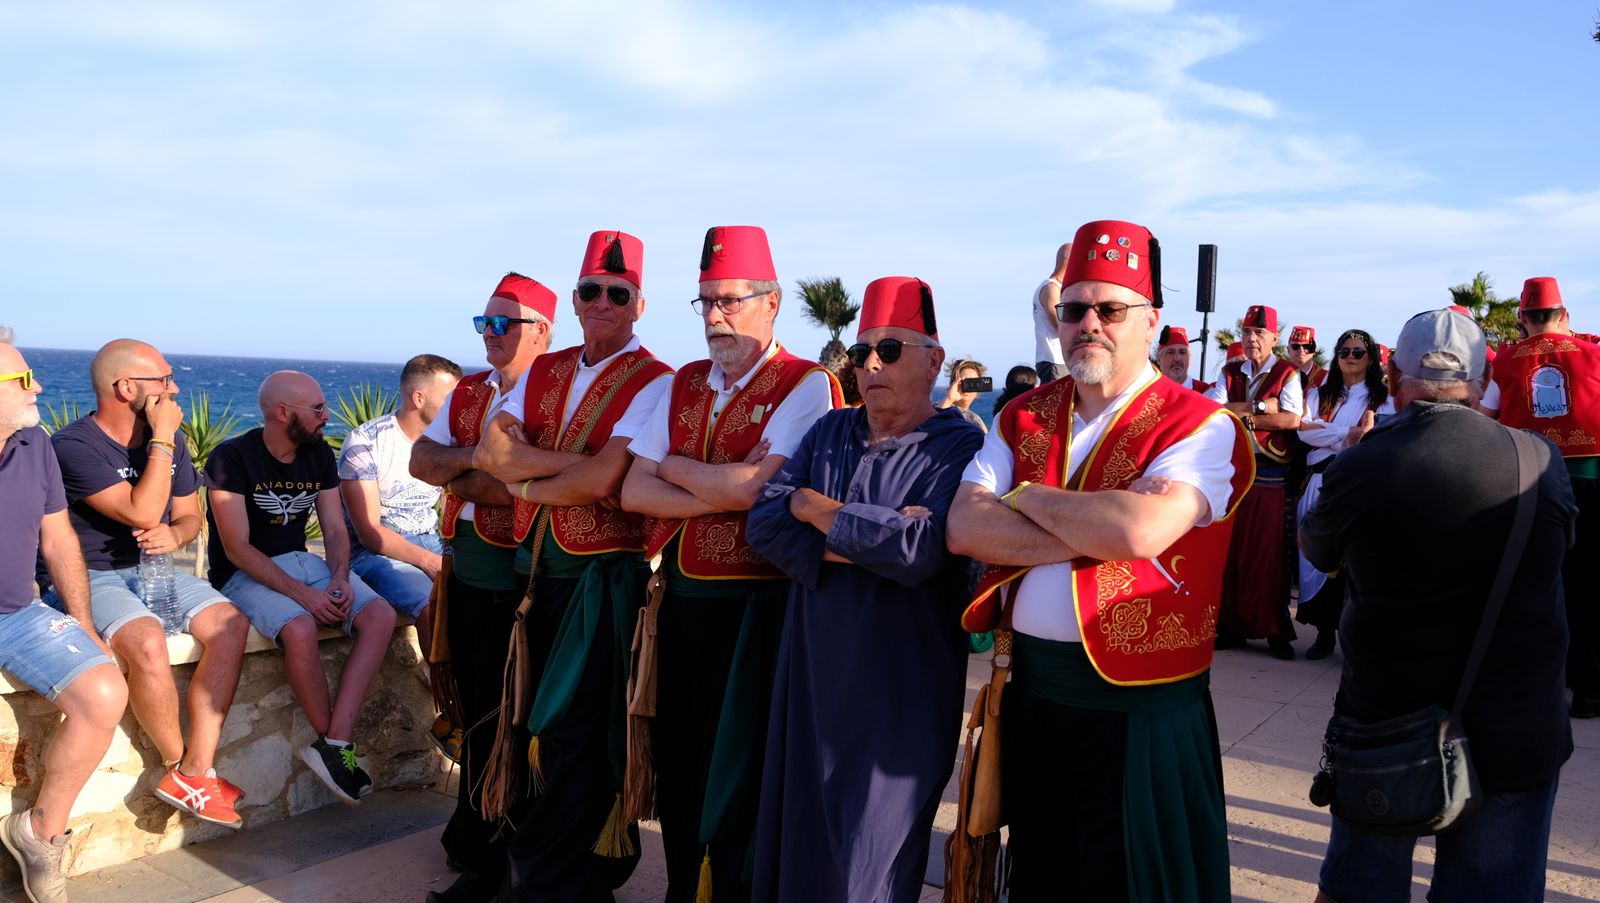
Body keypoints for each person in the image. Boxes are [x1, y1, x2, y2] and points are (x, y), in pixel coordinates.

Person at [947, 220, 1252, 902]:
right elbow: (965, 525)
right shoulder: (1021, 416)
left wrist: (1021, 499)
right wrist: (1097, 520)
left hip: (1142, 716)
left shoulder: (1200, 422)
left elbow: (1143, 529)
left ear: (1151, 319)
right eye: (1074, 308)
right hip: (1033, 696)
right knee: (1042, 881)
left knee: (1134, 884)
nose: (1089, 323)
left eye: (1110, 308)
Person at [1301, 309, 1574, 903]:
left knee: (1359, 892)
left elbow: (1317, 552)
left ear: (1395, 376)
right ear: (1482, 382)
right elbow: (1560, 556)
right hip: (1516, 727)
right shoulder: (1541, 463)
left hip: (1388, 728)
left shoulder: (1362, 463)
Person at [746, 276, 984, 901]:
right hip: (811, 679)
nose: (872, 364)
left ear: (934, 360)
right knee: (797, 843)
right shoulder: (831, 431)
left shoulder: (960, 446)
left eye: (891, 350)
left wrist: (813, 507)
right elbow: (763, 523)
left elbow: (918, 553)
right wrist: (853, 523)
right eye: (862, 353)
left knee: (869, 860)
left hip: (899, 688)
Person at [621, 225, 840, 902]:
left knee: (746, 773)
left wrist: (681, 471)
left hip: (760, 613)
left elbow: (758, 490)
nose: (716, 315)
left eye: (731, 301)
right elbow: (632, 489)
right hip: (682, 607)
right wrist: (724, 485)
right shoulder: (685, 381)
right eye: (706, 301)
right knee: (682, 768)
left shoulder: (807, 383)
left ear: (770, 303)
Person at [472, 231, 674, 899]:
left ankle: (562, 882)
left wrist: (528, 476)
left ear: (639, 304)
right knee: (524, 726)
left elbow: (607, 480)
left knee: (579, 738)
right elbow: (487, 455)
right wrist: (573, 470)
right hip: (536, 578)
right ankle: (531, 873)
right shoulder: (546, 367)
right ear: (575, 299)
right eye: (591, 291)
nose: (603, 303)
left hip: (603, 586)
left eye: (618, 294)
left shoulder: (656, 380)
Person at [42, 339, 251, 830]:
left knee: (230, 623)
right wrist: (160, 439)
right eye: (163, 379)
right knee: (148, 642)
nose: (174, 388)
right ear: (126, 387)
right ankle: (179, 765)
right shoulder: (72, 446)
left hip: (161, 564)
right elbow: (137, 510)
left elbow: (188, 518)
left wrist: (174, 533)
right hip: (94, 572)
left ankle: (196, 771)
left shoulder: (172, 440)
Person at [408, 272, 554, 902]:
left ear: (541, 331)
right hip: (465, 572)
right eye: (484, 323)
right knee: (475, 713)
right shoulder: (471, 389)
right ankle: (477, 838)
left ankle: (503, 856)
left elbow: (515, 488)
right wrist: (475, 458)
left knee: (509, 721)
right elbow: (422, 462)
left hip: (518, 578)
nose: (491, 335)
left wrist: (463, 467)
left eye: (504, 324)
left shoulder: (553, 393)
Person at [204, 370, 398, 805]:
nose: (326, 416)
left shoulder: (318, 456)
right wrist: (304, 595)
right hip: (243, 574)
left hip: (302, 562)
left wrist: (339, 578)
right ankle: (331, 744)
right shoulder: (229, 459)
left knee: (381, 615)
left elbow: (333, 527)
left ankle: (335, 744)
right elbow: (236, 549)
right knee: (300, 628)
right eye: (317, 409)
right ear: (282, 412)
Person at [0, 333, 130, 903]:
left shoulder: (36, 443)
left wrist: (81, 621)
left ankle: (39, 832)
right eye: (22, 380)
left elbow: (57, 537)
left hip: (15, 612)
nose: (39, 388)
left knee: (104, 690)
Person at [1480, 276, 1600, 718]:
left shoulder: (1507, 362)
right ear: (1564, 315)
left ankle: (1539, 684)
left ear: (1523, 318)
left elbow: (1486, 418)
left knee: (1534, 583)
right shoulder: (1595, 353)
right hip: (1589, 481)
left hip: (1528, 481)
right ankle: (1588, 688)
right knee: (1588, 583)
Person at [338, 353, 462, 664]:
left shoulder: (448, 443)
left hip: (431, 539)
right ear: (418, 398)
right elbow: (368, 532)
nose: (456, 407)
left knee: (487, 588)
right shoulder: (365, 444)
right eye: (449, 398)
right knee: (430, 603)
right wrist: (430, 561)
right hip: (374, 553)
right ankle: (447, 700)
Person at [1207, 305, 1304, 659]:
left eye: (1259, 333)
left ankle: (1274, 629)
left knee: (1268, 556)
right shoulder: (1231, 370)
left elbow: (1292, 419)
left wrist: (1245, 412)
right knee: (1232, 555)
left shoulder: (1288, 372)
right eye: (1247, 332)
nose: (1251, 339)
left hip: (1270, 472)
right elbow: (1213, 409)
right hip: (1234, 473)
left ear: (1274, 338)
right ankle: (1231, 626)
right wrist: (1262, 408)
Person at [1292, 330, 1391, 660]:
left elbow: (1373, 436)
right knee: (1313, 557)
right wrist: (1347, 433)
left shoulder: (1382, 397)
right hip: (1318, 481)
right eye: (1344, 351)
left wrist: (1330, 435)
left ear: (1371, 358)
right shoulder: (1321, 394)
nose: (1350, 357)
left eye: (1358, 352)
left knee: (1352, 562)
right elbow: (1304, 432)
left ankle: (1352, 637)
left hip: (1356, 485)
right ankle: (1323, 633)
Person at [1032, 242, 1070, 381]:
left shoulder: (1052, 287)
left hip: (1055, 360)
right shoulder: (1052, 288)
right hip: (1055, 360)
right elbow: (1061, 324)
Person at [938, 357, 989, 431]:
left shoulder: (976, 421)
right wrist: (949, 399)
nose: (968, 386)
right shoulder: (941, 408)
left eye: (973, 382)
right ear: (953, 384)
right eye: (963, 382)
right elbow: (930, 425)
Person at [1155, 325, 1210, 392]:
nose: (1177, 359)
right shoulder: (1149, 392)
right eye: (1171, 352)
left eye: (1182, 352)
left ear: (1190, 358)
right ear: (1159, 359)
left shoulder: (1205, 392)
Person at [1286, 325, 1329, 391]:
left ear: (1314, 349)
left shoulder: (1325, 377)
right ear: (1288, 350)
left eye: (1306, 346)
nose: (1301, 350)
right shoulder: (1279, 374)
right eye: (1295, 346)